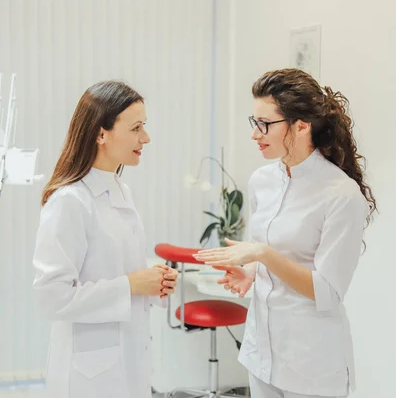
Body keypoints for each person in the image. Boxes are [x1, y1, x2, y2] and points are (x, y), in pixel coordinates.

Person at [194, 68, 376, 398]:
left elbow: (328, 292)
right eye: (254, 122)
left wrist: (262, 255)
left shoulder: (341, 194)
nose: (255, 134)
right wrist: (249, 271)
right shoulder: (261, 181)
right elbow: (269, 248)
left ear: (302, 126)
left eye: (265, 124)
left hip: (311, 362)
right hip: (261, 352)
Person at [32, 80, 179, 398]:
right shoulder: (69, 201)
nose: (146, 138)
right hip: (90, 376)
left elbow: (117, 268)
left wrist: (154, 281)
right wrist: (132, 285)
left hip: (127, 361)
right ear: (101, 133)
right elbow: (52, 297)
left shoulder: (121, 191)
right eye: (136, 128)